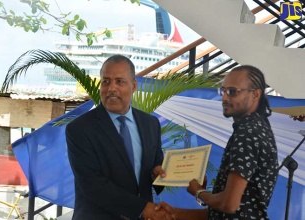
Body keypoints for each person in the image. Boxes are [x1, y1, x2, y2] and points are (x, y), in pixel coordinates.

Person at [157, 65, 279, 220]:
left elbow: (229, 205)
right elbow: (231, 211)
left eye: (233, 92)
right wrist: (174, 214)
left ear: (256, 94)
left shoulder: (247, 133)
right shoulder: (257, 128)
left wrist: (199, 192)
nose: (225, 98)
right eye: (223, 91)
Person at [66, 54, 174, 220]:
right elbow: (91, 184)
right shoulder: (79, 129)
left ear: (133, 86)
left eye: (119, 81)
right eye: (106, 81)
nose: (111, 88)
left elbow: (155, 165)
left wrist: (158, 173)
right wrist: (142, 208)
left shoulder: (150, 124)